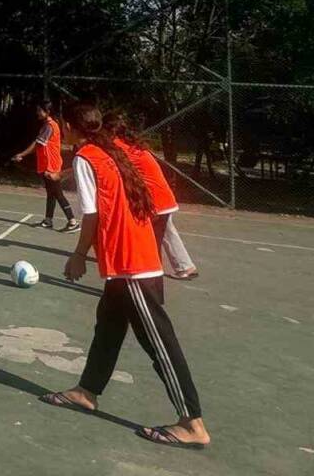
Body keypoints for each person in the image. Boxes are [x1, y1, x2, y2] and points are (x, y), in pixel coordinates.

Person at [40, 105, 209, 450]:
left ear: (72, 128)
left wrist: (77, 255)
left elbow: (91, 214)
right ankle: (86, 391)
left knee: (159, 343)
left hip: (132, 263)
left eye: (64, 125)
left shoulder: (88, 157)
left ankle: (192, 423)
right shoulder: (109, 152)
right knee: (108, 325)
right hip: (126, 262)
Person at [104, 113, 199, 280]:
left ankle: (151, 281)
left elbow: (106, 167)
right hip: (163, 197)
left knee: (151, 242)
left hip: (154, 200)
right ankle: (185, 266)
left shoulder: (118, 146)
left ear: (109, 131)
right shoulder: (132, 144)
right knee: (168, 231)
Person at [12, 100, 80, 232]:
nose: (37, 113)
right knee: (51, 193)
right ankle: (48, 220)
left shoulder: (50, 126)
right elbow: (39, 144)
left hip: (51, 164)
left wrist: (22, 154)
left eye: (40, 110)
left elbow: (37, 144)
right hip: (48, 163)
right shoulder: (48, 125)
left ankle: (72, 221)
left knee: (57, 193)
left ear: (47, 112)